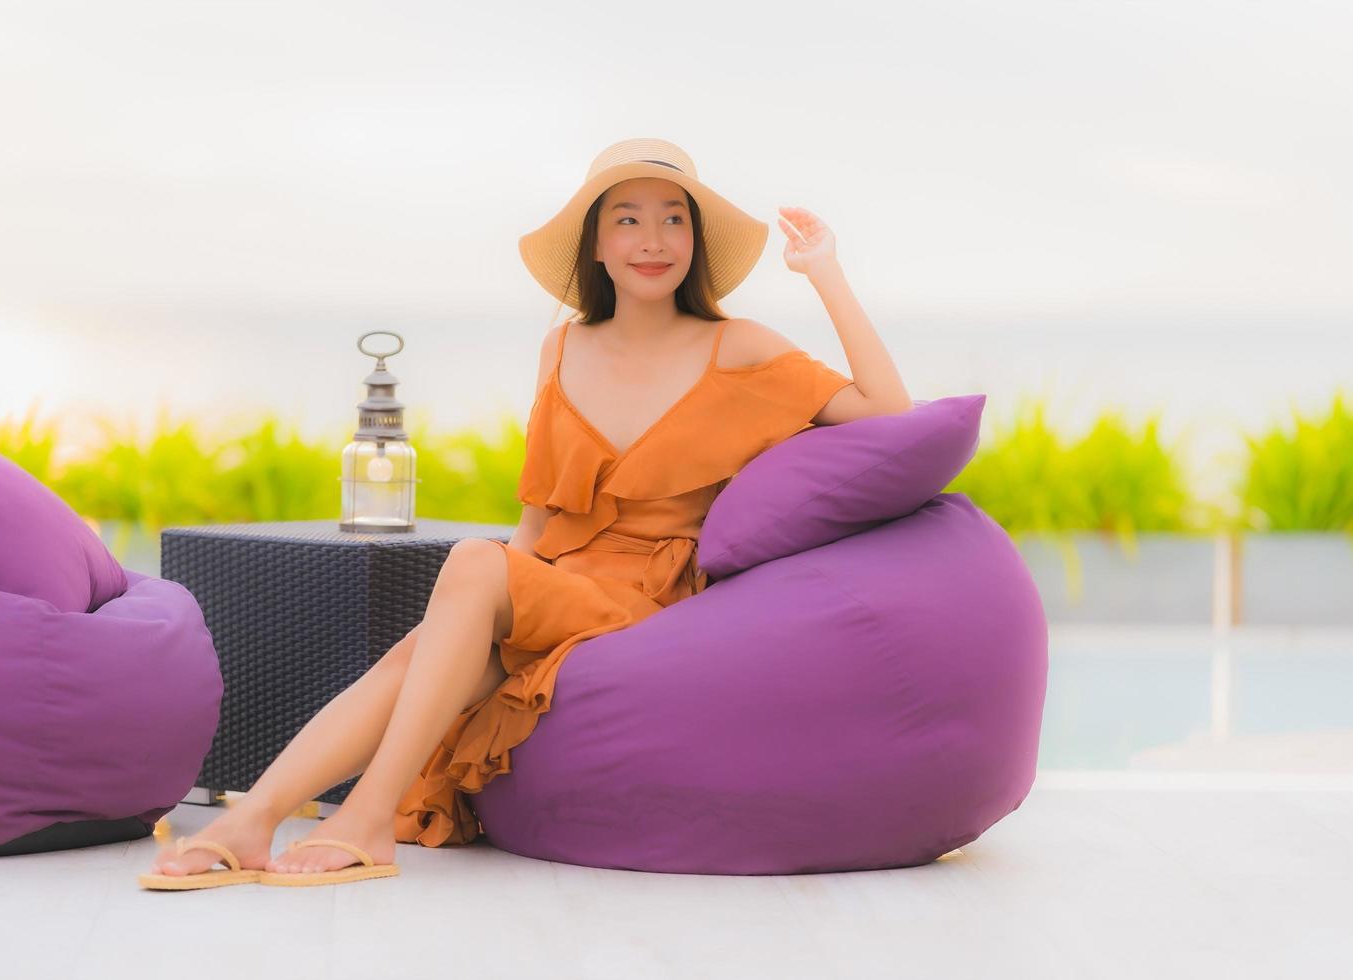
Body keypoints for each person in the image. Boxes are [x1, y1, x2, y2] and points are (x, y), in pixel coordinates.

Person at [140, 137, 912, 889]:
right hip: (559, 583)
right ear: (597, 244)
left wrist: (824, 273)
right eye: (628, 218)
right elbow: (540, 522)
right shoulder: (564, 349)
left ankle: (368, 814)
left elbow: (888, 412)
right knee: (422, 647)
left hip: (647, 599)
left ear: (697, 240)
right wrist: (478, 611)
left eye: (674, 218)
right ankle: (258, 815)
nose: (654, 239)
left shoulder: (737, 346)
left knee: (473, 564)